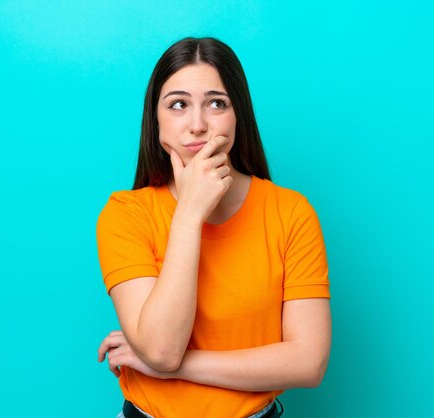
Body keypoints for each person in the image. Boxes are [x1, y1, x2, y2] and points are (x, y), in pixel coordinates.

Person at [96, 37, 331, 418]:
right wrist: (189, 213)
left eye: (216, 103)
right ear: (155, 120)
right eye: (178, 104)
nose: (198, 125)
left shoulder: (291, 213)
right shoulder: (126, 214)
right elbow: (161, 348)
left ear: (239, 115)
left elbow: (309, 363)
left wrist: (175, 368)